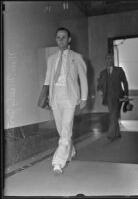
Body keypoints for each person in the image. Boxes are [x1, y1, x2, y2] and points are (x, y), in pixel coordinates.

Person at [43, 27, 88, 175]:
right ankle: (70, 151)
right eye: (58, 37)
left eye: (63, 37)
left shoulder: (77, 57)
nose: (60, 40)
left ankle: (58, 162)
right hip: (55, 98)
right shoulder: (51, 59)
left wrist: (84, 98)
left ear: (69, 39)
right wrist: (47, 98)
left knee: (66, 128)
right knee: (62, 130)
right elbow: (47, 80)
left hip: (70, 98)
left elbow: (83, 78)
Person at [97, 53, 129, 141]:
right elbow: (99, 84)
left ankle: (111, 134)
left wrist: (126, 94)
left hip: (119, 96)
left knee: (113, 114)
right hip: (108, 97)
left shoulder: (119, 70)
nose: (108, 60)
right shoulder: (102, 72)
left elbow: (125, 82)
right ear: (105, 60)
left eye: (110, 58)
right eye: (107, 59)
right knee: (113, 114)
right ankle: (117, 133)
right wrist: (99, 90)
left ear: (113, 60)